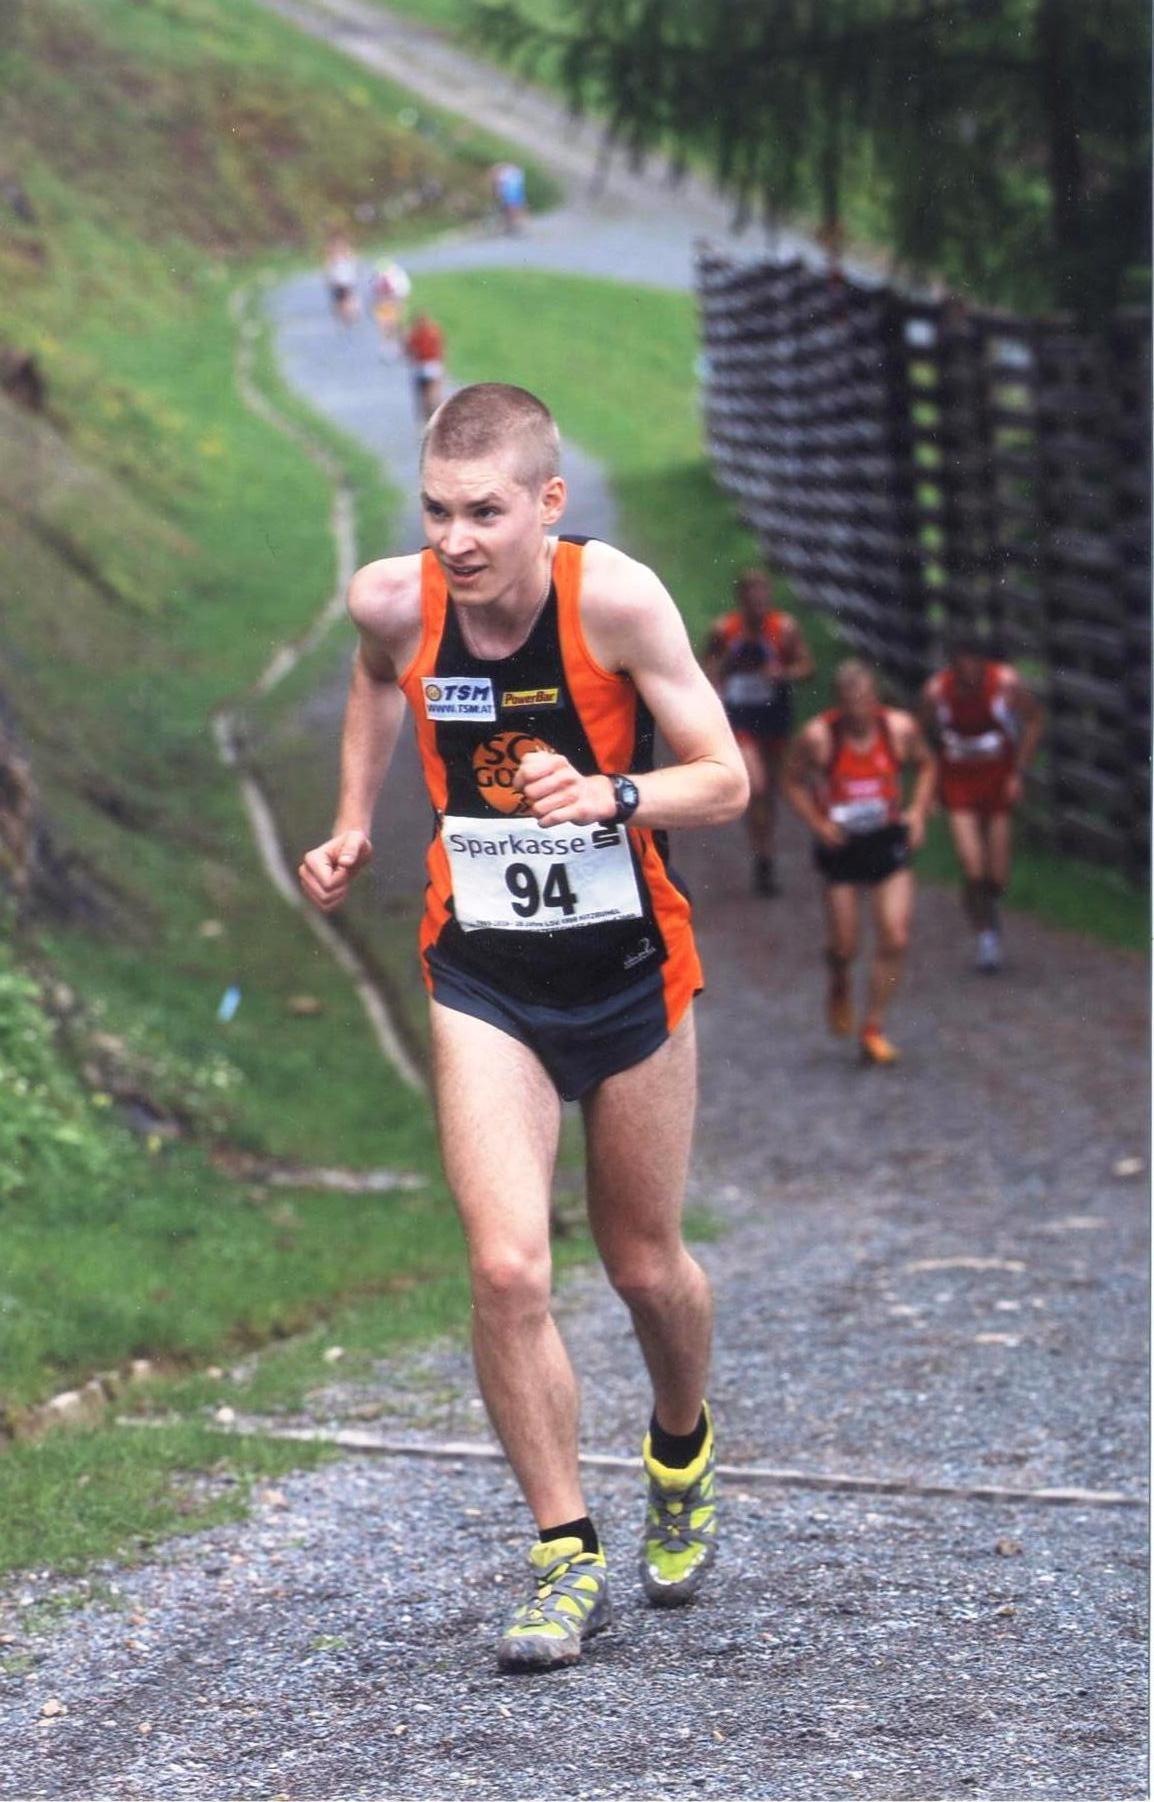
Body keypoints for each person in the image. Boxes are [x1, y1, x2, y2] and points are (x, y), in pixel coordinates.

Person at [298, 382, 748, 1673]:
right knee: (505, 1267)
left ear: (547, 502)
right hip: (482, 974)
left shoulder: (616, 602)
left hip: (627, 969)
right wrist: (352, 820)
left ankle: (679, 1443)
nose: (455, 539)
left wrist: (611, 794)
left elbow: (725, 778)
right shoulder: (393, 601)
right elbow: (372, 679)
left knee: (644, 1264)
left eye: (484, 512)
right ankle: (563, 1551)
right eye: (435, 510)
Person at [783, 660, 935, 1066]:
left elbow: (927, 764)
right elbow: (791, 781)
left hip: (886, 841)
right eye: (850, 702)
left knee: (895, 937)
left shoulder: (899, 729)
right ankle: (839, 980)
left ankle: (873, 1027)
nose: (859, 709)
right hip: (843, 847)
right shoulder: (819, 737)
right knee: (845, 946)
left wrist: (918, 812)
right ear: (838, 703)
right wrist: (817, 823)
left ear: (876, 698)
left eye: (866, 699)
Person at [919, 636, 1044, 972]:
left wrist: (1019, 772)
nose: (969, 670)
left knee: (997, 877)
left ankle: (986, 906)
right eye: (962, 663)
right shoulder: (937, 692)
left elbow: (1035, 720)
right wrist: (929, 784)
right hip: (958, 783)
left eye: (975, 661)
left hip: (997, 782)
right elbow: (918, 735)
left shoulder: (1005, 685)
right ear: (953, 664)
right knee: (973, 867)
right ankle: (986, 936)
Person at [702, 568, 814, 895]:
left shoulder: (784, 628)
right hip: (740, 715)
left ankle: (765, 849)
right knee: (758, 785)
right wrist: (719, 680)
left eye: (763, 600)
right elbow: (705, 668)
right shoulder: (724, 630)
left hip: (774, 714)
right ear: (741, 601)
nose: (758, 607)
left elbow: (807, 666)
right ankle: (762, 855)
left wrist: (783, 673)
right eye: (752, 601)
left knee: (772, 789)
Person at [404, 311, 445, 422]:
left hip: (419, 366)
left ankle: (426, 419)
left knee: (421, 396)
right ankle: (437, 416)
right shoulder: (434, 331)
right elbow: (441, 349)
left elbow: (408, 351)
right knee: (434, 393)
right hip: (433, 365)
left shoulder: (414, 334)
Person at [369, 258, 411, 358]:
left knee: (398, 326)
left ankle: (403, 347)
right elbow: (372, 294)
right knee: (385, 327)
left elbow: (403, 291)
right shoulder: (375, 279)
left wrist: (400, 302)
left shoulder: (397, 276)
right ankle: (388, 348)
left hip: (394, 302)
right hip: (383, 304)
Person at [323, 231, 360, 326]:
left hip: (346, 281)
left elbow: (354, 264)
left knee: (347, 298)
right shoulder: (331, 257)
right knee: (339, 301)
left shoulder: (348, 254)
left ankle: (350, 312)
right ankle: (346, 314)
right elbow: (328, 270)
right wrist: (328, 280)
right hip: (337, 282)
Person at [491, 160, 527, 234]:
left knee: (509, 210)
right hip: (515, 193)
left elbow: (499, 184)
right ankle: (514, 225)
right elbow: (520, 184)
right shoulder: (516, 173)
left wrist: (498, 193)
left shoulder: (504, 174)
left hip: (509, 194)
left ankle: (512, 226)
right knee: (513, 210)